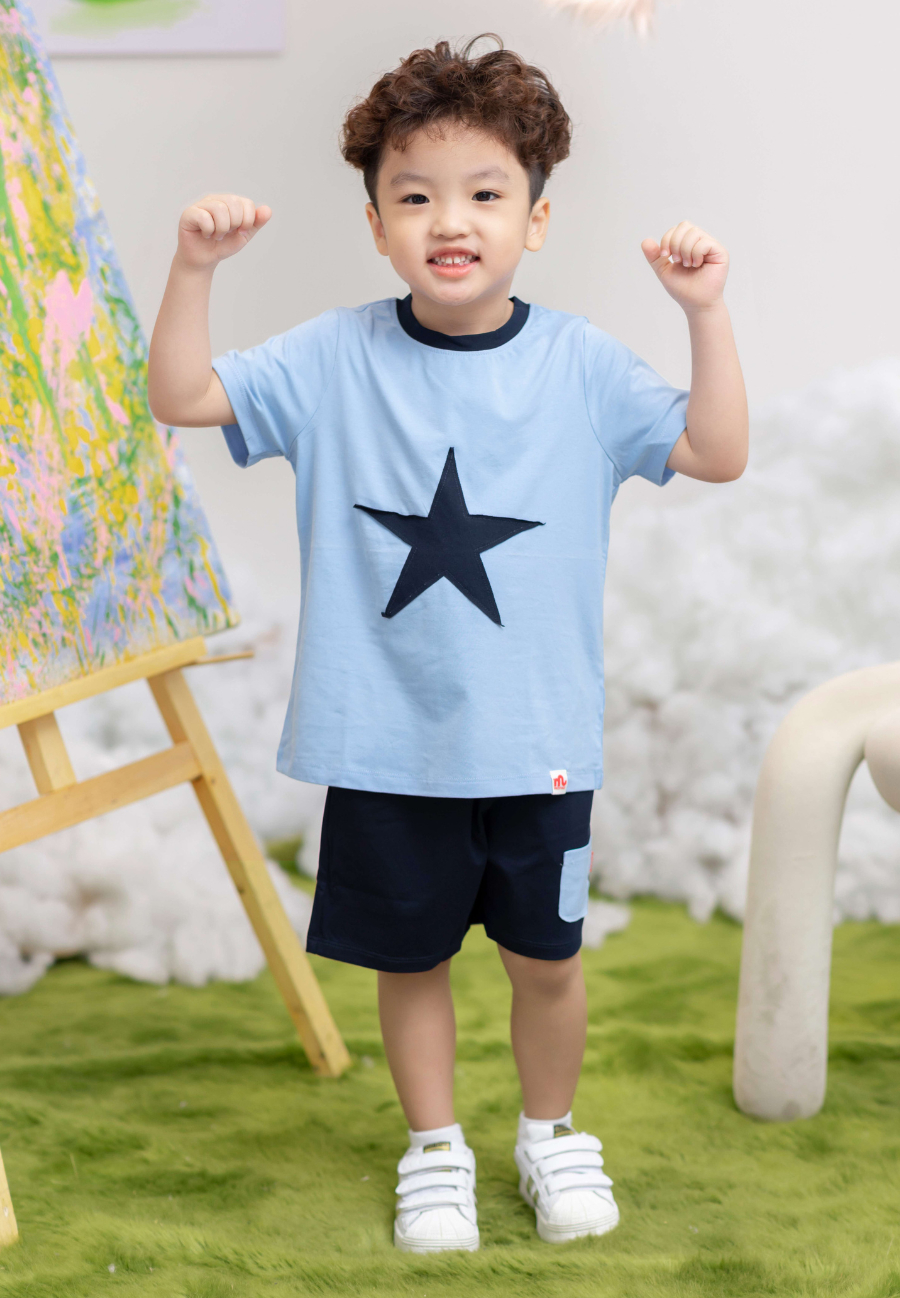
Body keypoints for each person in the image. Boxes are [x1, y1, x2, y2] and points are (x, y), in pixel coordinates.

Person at [147, 35, 748, 1255]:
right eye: (414, 197)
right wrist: (193, 267)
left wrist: (703, 311)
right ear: (376, 224)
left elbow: (716, 451)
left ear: (535, 217)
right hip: (385, 746)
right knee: (408, 961)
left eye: (484, 192)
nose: (449, 221)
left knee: (546, 961)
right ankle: (434, 1147)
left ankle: (549, 1130)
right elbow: (183, 396)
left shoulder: (578, 364)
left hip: (536, 746)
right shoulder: (332, 356)